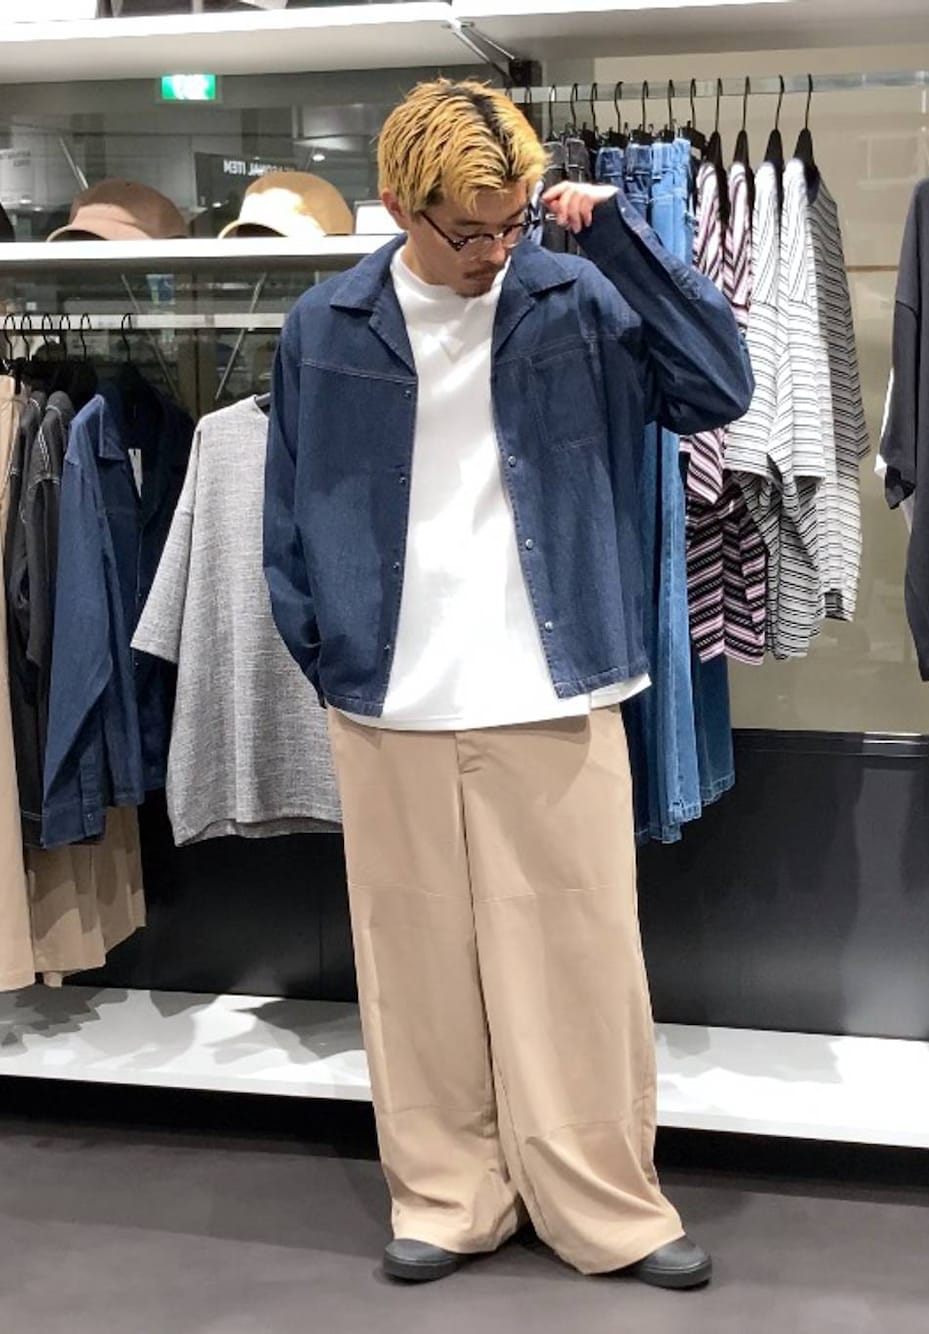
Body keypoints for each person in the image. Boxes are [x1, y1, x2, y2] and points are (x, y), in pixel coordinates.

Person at [264, 78, 752, 1290]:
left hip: (554, 686)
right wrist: (326, 648)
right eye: (468, 230)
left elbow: (718, 384)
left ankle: (605, 1204)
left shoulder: (575, 296)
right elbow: (287, 509)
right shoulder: (326, 325)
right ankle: (448, 1192)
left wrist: (623, 246)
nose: (493, 249)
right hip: (389, 697)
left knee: (581, 961)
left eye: (511, 222)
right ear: (398, 206)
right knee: (413, 962)